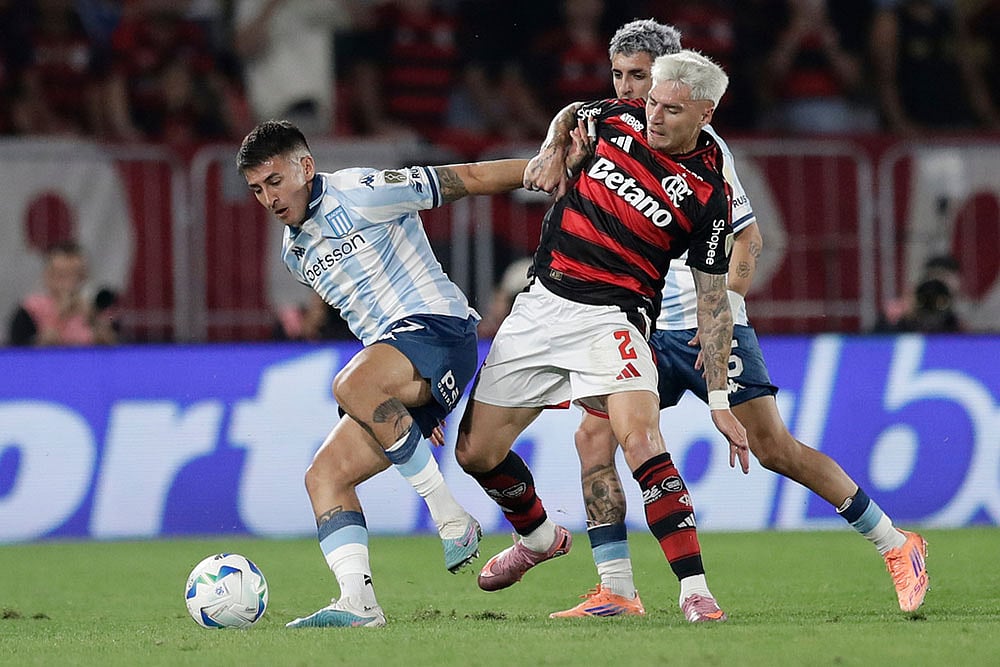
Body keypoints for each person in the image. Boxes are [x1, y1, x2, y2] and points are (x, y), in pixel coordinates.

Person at [542, 19, 929, 621]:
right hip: (637, 327)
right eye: (618, 76)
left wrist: (723, 308)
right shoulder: (613, 131)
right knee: (593, 437)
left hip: (705, 328)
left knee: (775, 449)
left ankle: (897, 543)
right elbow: (571, 123)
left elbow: (748, 239)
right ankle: (616, 587)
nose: (626, 89)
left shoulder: (705, 151)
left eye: (639, 77)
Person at [454, 49, 750, 621]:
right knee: (475, 453)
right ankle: (539, 538)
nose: (653, 115)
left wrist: (718, 398)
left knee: (640, 442)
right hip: (541, 304)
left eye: (671, 110)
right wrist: (551, 148)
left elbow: (713, 299)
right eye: (652, 102)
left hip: (615, 318)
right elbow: (571, 112)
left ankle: (694, 591)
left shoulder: (710, 194)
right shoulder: (618, 117)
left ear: (706, 114)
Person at [235, 119, 528, 628]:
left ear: (306, 167)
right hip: (399, 356)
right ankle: (359, 603)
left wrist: (544, 168)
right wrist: (396, 399)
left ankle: (450, 517)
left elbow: (471, 177)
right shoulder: (294, 253)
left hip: (440, 328)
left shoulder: (363, 190)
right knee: (324, 477)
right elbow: (366, 319)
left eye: (275, 181)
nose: (269, 198)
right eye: (257, 189)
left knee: (350, 384)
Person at [8, 240, 118, 346]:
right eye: (62, 275)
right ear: (47, 276)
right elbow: (19, 350)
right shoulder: (29, 311)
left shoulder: (98, 306)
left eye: (78, 275)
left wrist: (93, 318)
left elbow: (115, 345)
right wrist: (61, 315)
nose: (70, 283)